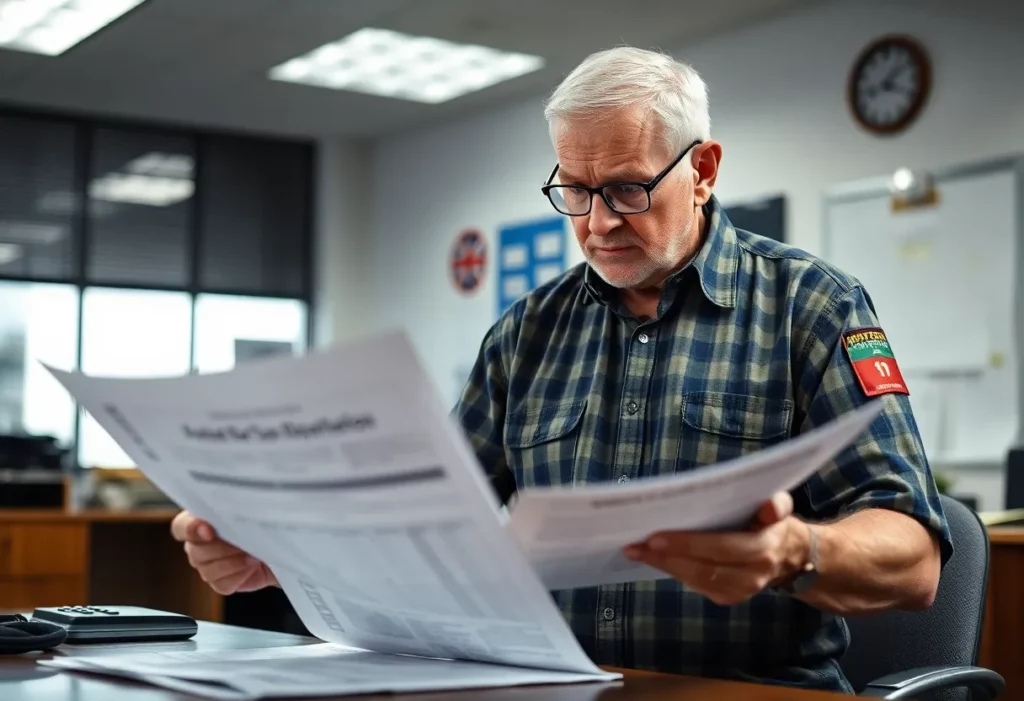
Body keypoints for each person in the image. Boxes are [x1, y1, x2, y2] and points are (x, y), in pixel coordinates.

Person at [172, 46, 951, 693]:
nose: (598, 222)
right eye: (573, 192)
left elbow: (913, 557)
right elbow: (425, 527)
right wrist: (284, 553)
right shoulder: (526, 331)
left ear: (704, 168)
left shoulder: (812, 306)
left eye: (626, 188)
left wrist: (792, 552)